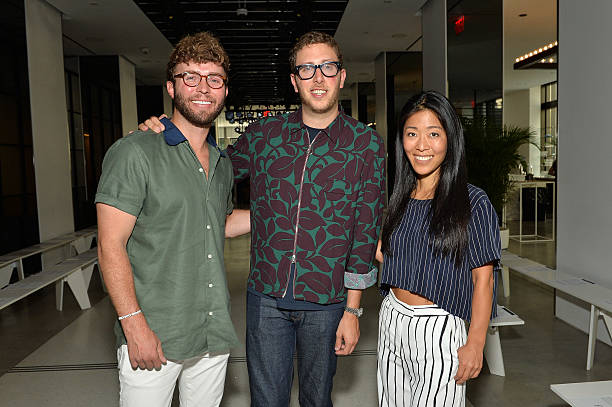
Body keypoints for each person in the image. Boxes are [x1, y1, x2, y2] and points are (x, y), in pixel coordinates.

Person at [140, 31, 386, 407]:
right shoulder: (265, 135)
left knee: (317, 400)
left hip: (328, 300)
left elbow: (365, 233)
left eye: (327, 67)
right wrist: (163, 134)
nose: (317, 77)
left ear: (341, 75)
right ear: (294, 81)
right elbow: (207, 170)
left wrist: (353, 310)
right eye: (307, 69)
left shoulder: (366, 146)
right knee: (266, 401)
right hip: (265, 297)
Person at [96, 32, 249, 407]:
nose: (202, 88)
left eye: (214, 79)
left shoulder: (222, 163)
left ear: (225, 91)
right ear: (171, 86)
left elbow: (217, 222)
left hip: (212, 332)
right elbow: (109, 244)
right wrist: (133, 326)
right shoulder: (135, 152)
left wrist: (280, 212)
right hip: (155, 333)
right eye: (189, 77)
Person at [375, 91, 500, 407]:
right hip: (392, 317)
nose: (421, 145)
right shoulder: (399, 200)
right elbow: (388, 254)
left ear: (450, 139)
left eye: (434, 134)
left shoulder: (473, 201)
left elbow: (483, 281)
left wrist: (476, 341)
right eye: (411, 134)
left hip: (439, 327)